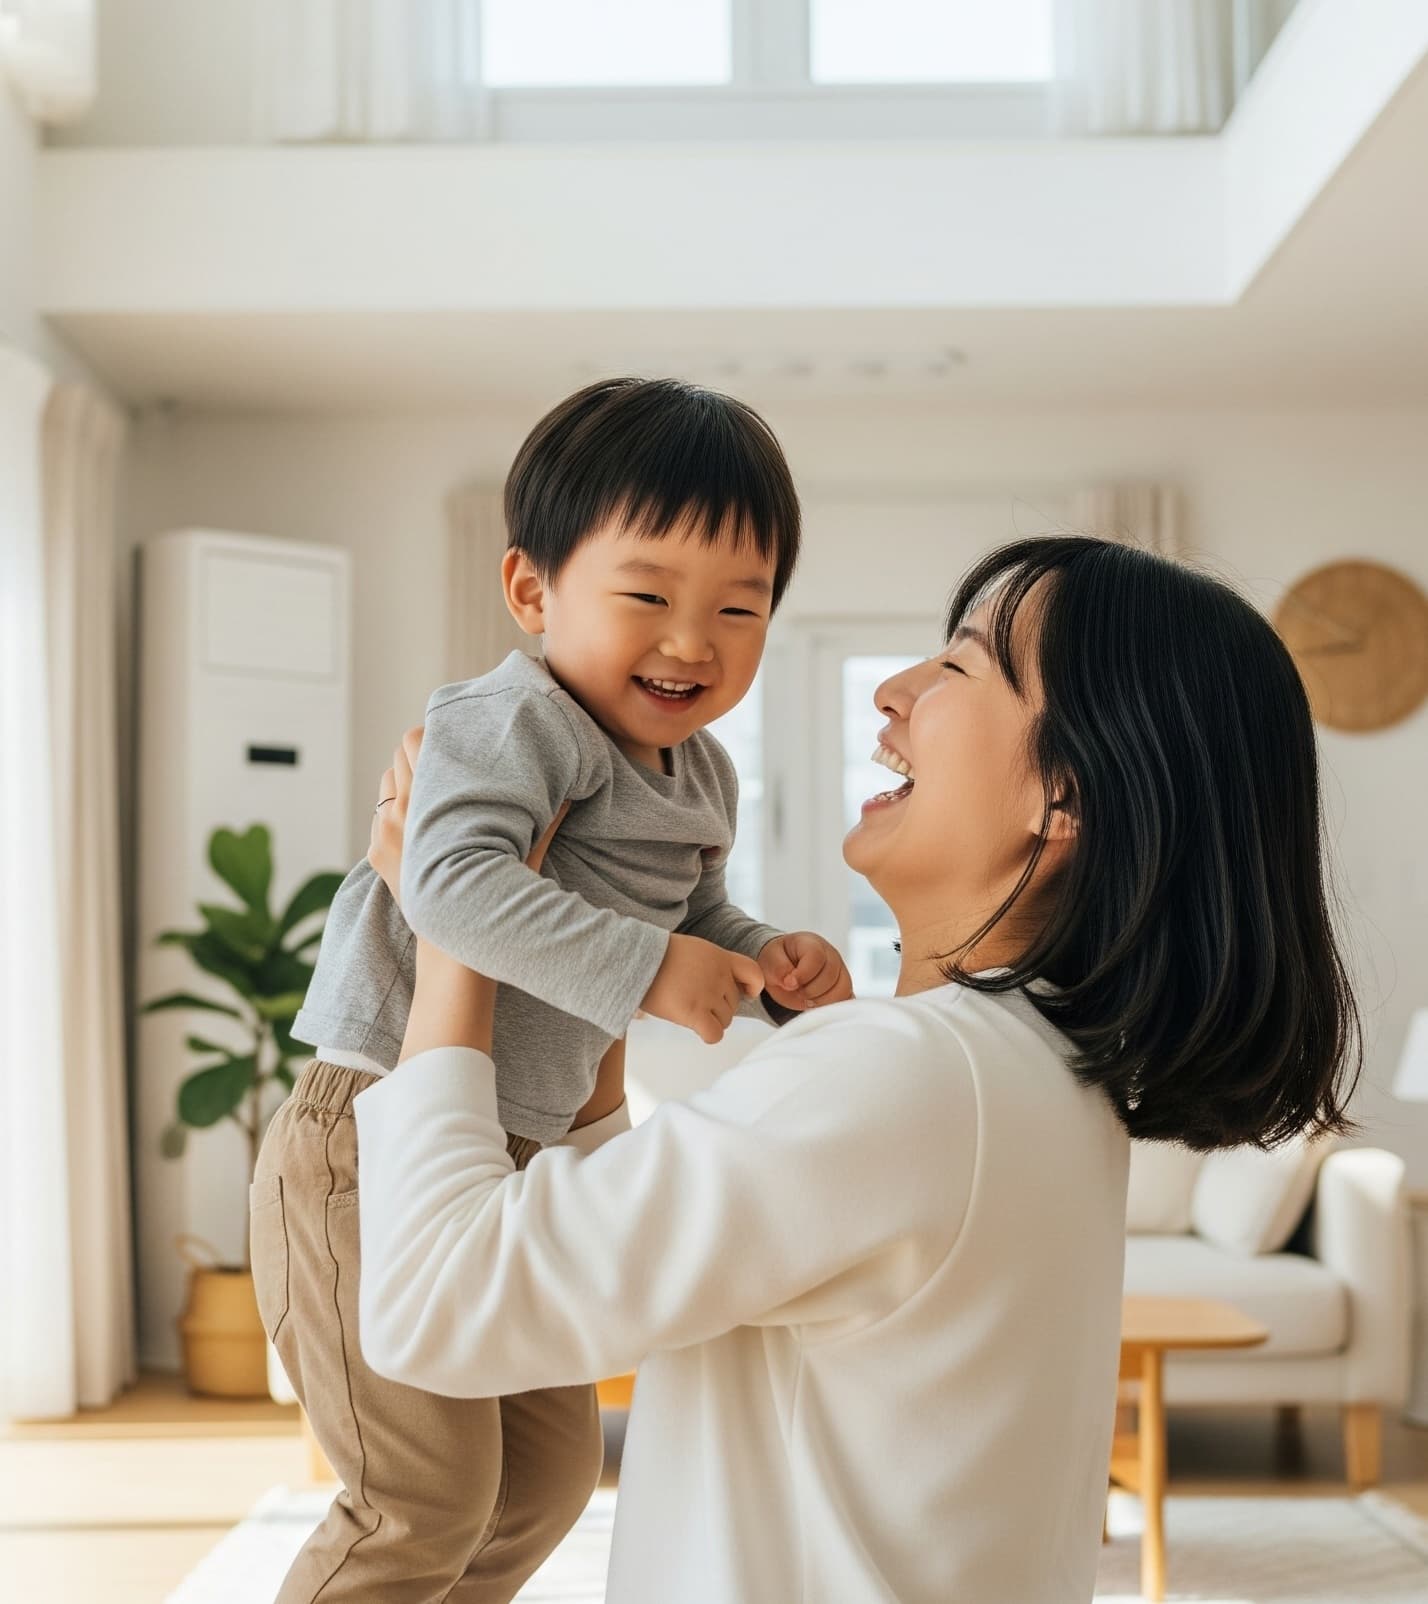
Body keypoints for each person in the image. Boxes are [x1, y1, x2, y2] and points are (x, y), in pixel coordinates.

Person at [354, 535, 1360, 1604]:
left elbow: (435, 1307)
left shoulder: (905, 1076)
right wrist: (598, 956)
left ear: (1064, 795)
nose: (893, 690)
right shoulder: (1040, 1078)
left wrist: (453, 927)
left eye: (962, 665)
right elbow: (616, 1262)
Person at [252, 377, 852, 1604]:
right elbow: (451, 885)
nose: (693, 641)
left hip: (525, 1157)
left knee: (543, 1486)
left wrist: (759, 957)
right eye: (649, 597)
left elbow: (686, 914)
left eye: (740, 608)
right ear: (533, 591)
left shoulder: (703, 773)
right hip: (372, 1140)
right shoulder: (513, 719)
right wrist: (653, 969)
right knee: (417, 1498)